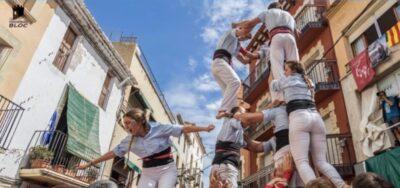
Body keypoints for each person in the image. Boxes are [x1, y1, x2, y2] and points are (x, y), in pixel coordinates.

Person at [77, 108, 215, 188]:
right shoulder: (129, 141)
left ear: (140, 121)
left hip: (167, 169)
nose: (126, 127)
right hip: (148, 171)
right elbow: (112, 153)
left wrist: (204, 128)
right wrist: (89, 163)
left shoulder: (160, 128)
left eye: (128, 123)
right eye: (124, 124)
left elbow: (184, 128)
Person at [271, 61, 348, 188]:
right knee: (321, 162)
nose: (284, 72)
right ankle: (342, 186)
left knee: (302, 162)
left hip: (299, 118)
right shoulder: (309, 82)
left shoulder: (287, 80)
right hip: (316, 118)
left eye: (286, 69)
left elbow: (273, 85)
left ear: (292, 71)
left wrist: (275, 70)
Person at [233, 2, 300, 102]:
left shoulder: (268, 13)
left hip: (277, 37)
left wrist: (236, 25)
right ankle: (298, 90)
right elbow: (297, 33)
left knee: (276, 68)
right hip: (290, 38)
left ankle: (281, 98)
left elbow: (249, 24)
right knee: (295, 66)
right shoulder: (289, 15)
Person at [212, 27, 252, 119]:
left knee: (232, 102)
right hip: (220, 62)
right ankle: (222, 110)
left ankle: (229, 120)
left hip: (219, 66)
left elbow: (244, 59)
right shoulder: (231, 33)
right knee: (235, 82)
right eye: (245, 36)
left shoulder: (236, 46)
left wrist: (259, 56)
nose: (244, 39)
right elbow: (240, 31)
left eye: (246, 39)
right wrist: (246, 29)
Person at [210, 106, 247, 188]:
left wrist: (225, 115)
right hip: (227, 165)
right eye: (244, 112)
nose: (246, 114)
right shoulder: (233, 122)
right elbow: (244, 120)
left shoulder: (227, 127)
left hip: (217, 166)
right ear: (237, 113)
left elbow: (243, 143)